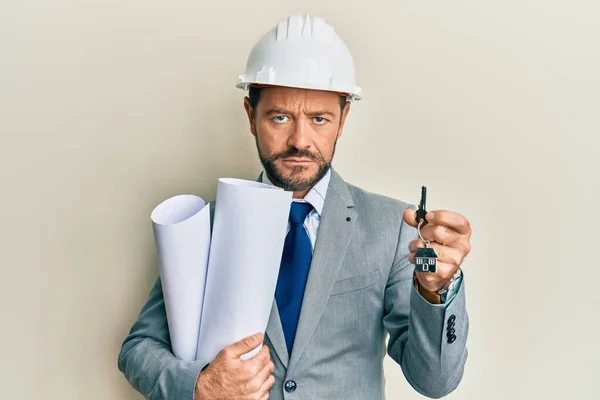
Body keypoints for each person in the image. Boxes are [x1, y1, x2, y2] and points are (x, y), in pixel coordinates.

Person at [118, 14, 472, 400]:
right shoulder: (207, 227)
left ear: (343, 119)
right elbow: (139, 348)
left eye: (319, 119)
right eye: (280, 117)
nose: (300, 140)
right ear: (251, 116)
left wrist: (437, 291)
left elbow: (435, 381)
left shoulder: (392, 227)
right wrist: (201, 386)